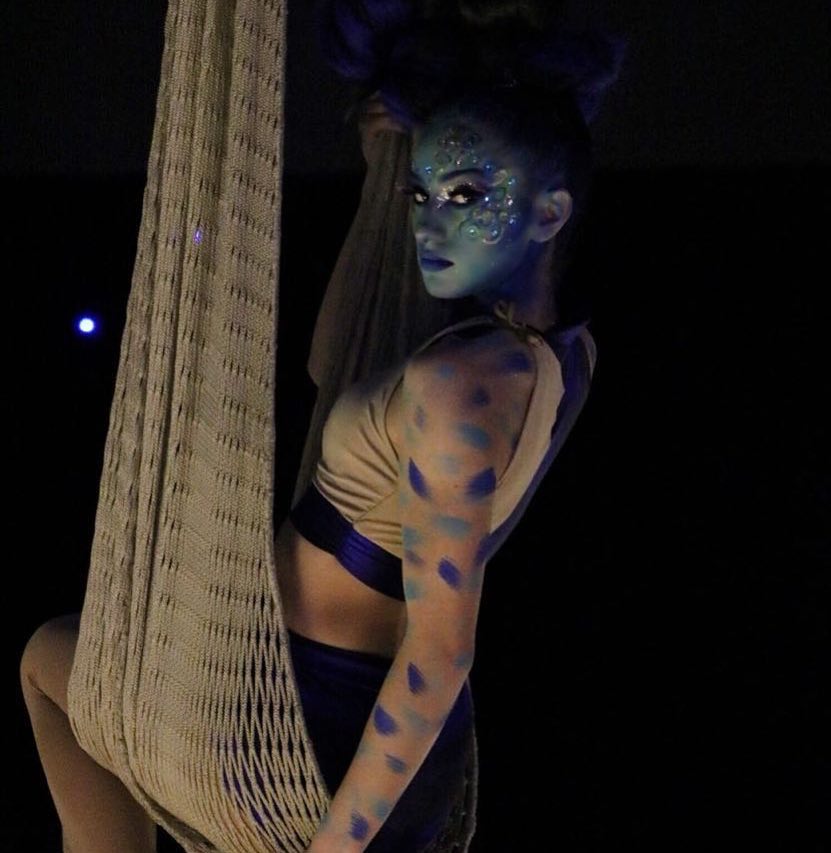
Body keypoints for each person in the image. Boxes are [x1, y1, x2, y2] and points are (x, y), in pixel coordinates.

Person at [20, 2, 624, 850]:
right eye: (421, 194)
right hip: (299, 692)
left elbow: (439, 655)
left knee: (51, 665)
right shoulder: (549, 353)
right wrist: (380, 176)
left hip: (302, 735)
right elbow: (331, 361)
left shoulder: (456, 389)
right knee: (54, 655)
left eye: (463, 195)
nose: (429, 222)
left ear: (550, 212)